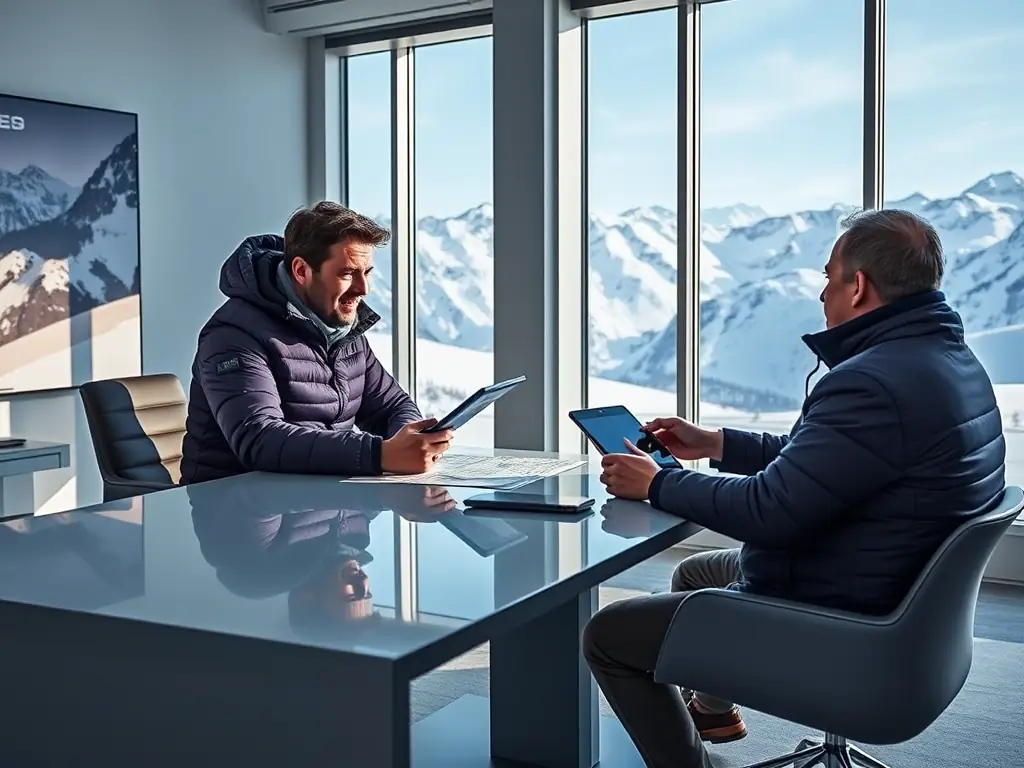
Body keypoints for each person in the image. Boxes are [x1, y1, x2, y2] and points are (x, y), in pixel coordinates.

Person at [584, 208, 1007, 768]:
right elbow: (828, 461)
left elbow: (769, 510)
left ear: (858, 287)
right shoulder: (945, 361)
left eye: (829, 278)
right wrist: (715, 444)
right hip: (893, 592)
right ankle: (712, 713)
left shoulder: (872, 382)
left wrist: (659, 484)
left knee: (609, 635)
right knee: (696, 573)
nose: (822, 294)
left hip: (843, 618)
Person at [179, 202, 454, 484]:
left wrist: (411, 440)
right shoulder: (232, 335)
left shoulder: (343, 329)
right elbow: (260, 439)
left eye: (367, 272)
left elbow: (392, 406)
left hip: (324, 503)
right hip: (239, 513)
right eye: (347, 273)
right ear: (301, 271)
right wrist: (379, 455)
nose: (363, 289)